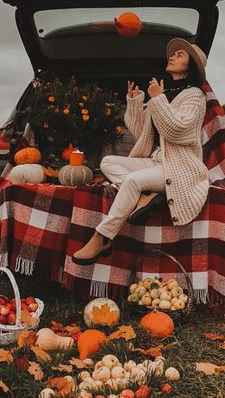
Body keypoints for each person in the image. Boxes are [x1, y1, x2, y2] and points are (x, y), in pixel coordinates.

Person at [72, 37, 210, 265]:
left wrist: (157, 99)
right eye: (173, 54)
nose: (172, 56)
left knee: (133, 181)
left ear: (192, 66)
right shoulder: (165, 94)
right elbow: (143, 133)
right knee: (108, 162)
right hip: (157, 161)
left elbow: (177, 130)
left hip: (180, 167)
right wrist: (136, 104)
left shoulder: (195, 96)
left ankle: (103, 236)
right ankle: (144, 198)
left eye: (180, 55)